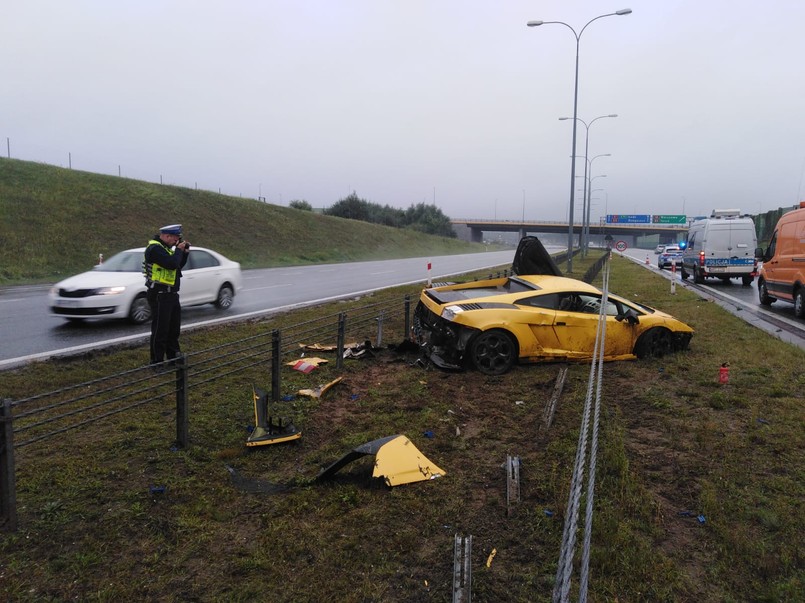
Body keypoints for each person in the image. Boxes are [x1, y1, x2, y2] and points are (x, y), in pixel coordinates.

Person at [143, 224, 190, 369]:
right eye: (176, 238)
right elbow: (170, 264)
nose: (177, 241)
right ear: (167, 236)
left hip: (171, 294)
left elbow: (177, 266)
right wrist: (178, 250)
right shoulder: (154, 249)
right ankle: (156, 362)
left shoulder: (167, 249)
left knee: (173, 329)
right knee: (160, 330)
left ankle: (173, 358)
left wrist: (184, 253)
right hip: (159, 295)